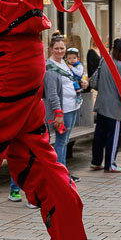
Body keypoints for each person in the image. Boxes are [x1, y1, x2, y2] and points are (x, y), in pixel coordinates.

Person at [90, 38, 121, 172]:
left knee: (99, 135)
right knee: (112, 136)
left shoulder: (104, 61)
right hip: (115, 107)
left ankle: (96, 162)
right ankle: (110, 164)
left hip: (101, 103)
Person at [43, 35, 80, 171]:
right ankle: (59, 173)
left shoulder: (63, 63)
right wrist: (58, 113)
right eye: (56, 48)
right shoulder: (50, 68)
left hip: (72, 106)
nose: (59, 51)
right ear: (51, 49)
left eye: (62, 48)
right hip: (63, 109)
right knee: (61, 141)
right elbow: (52, 93)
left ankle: (64, 172)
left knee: (65, 141)